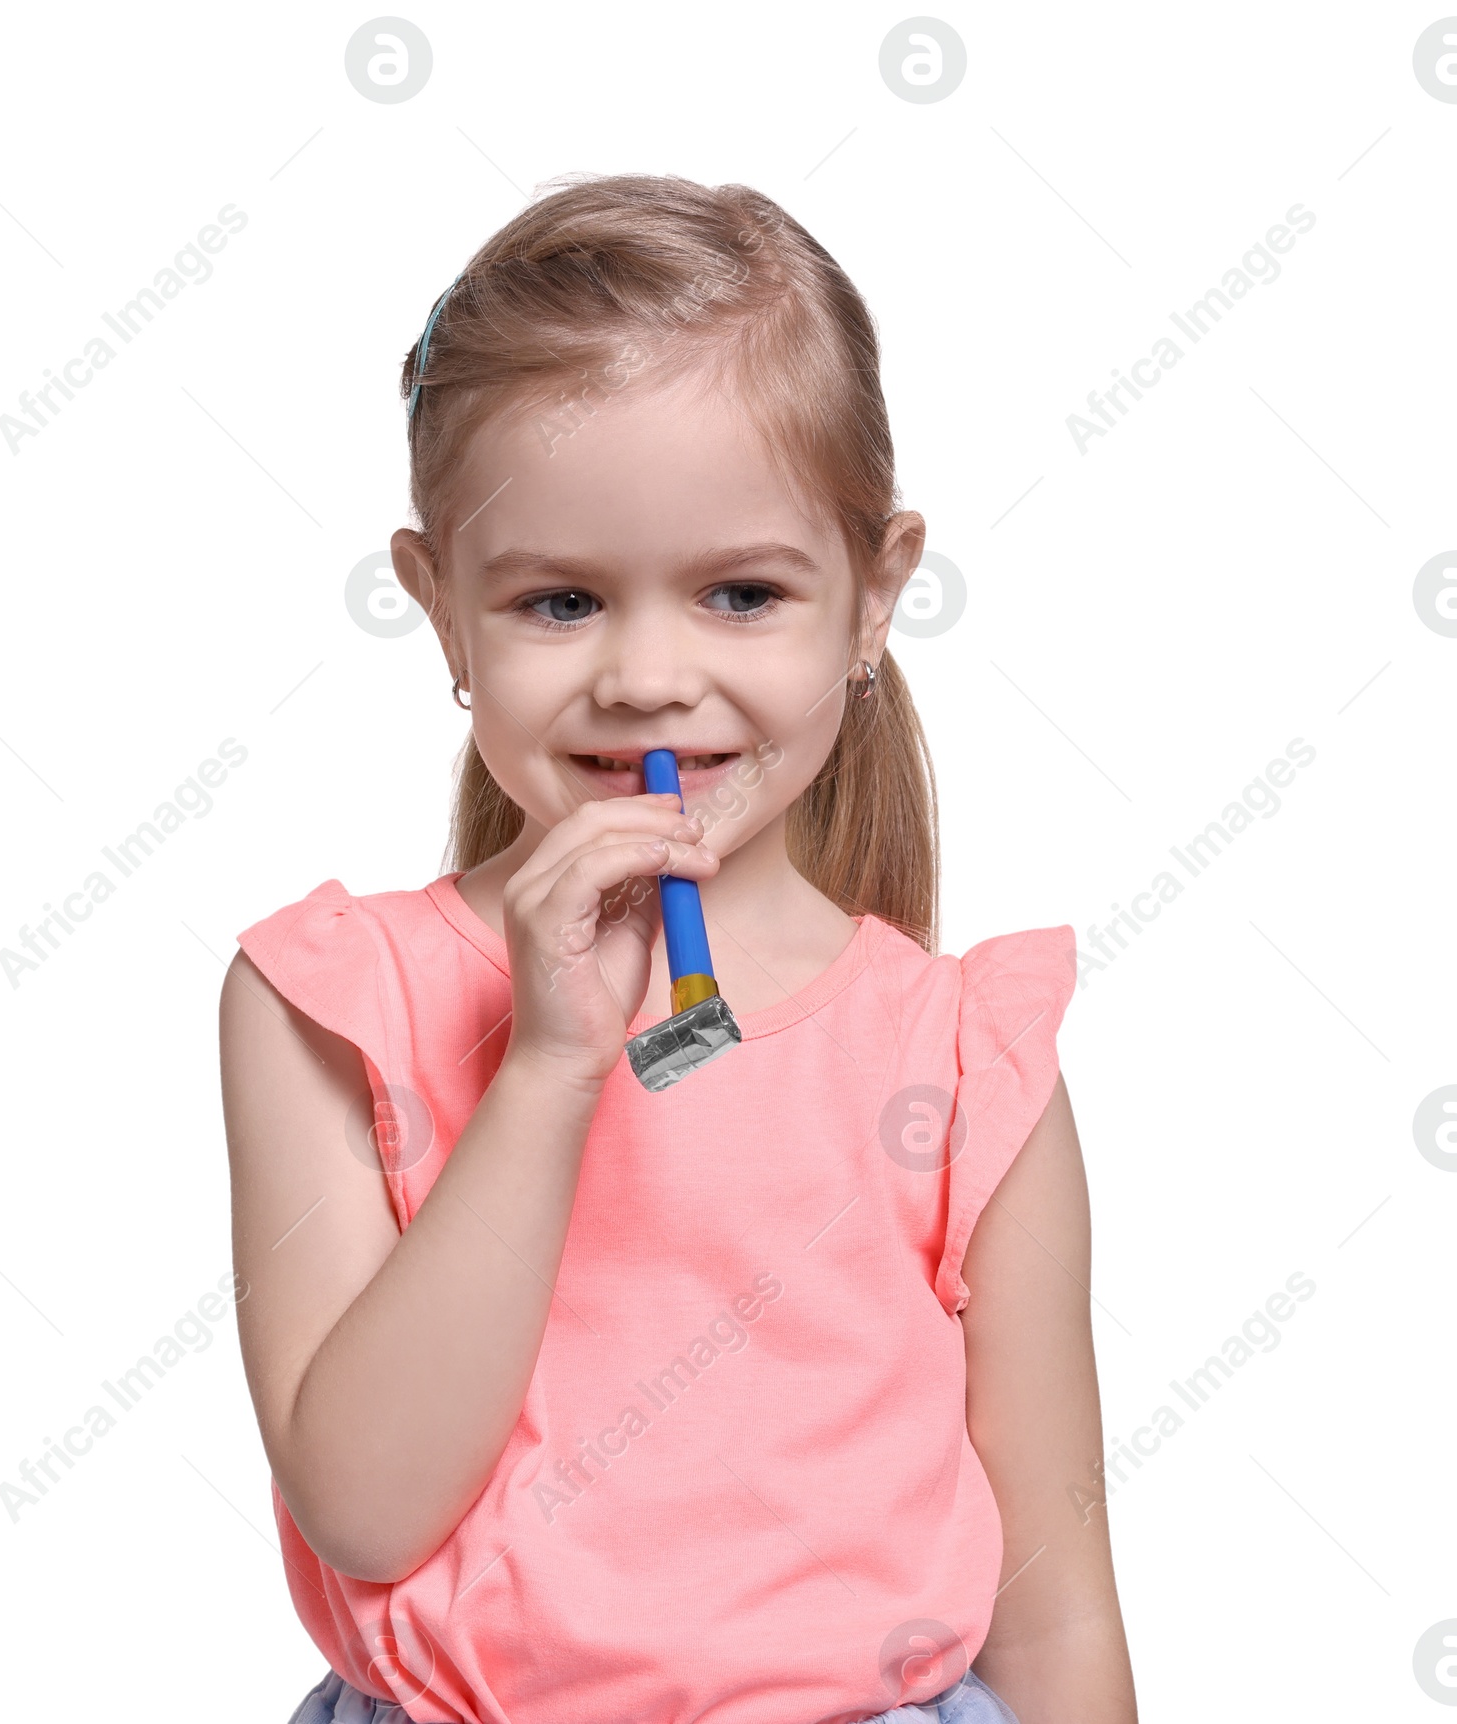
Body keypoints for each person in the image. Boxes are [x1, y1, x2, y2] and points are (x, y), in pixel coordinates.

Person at [219, 173, 1137, 1724]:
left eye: (740, 594)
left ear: (873, 597)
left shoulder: (966, 1064)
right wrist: (550, 1071)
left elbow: (1055, 1623)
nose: (650, 678)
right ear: (442, 610)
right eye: (561, 600)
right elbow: (366, 1505)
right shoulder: (331, 1006)